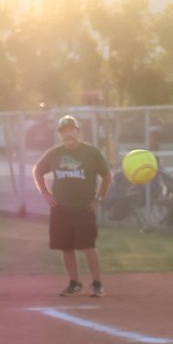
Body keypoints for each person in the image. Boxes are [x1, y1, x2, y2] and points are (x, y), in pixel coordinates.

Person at [33, 115, 112, 298]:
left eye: (70, 130)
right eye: (63, 131)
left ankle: (97, 283)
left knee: (87, 246)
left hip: (85, 208)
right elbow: (37, 170)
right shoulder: (55, 153)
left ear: (78, 131)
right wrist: (45, 193)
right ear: (60, 134)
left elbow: (107, 176)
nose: (67, 134)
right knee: (66, 247)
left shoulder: (91, 153)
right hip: (61, 208)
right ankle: (74, 283)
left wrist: (99, 199)